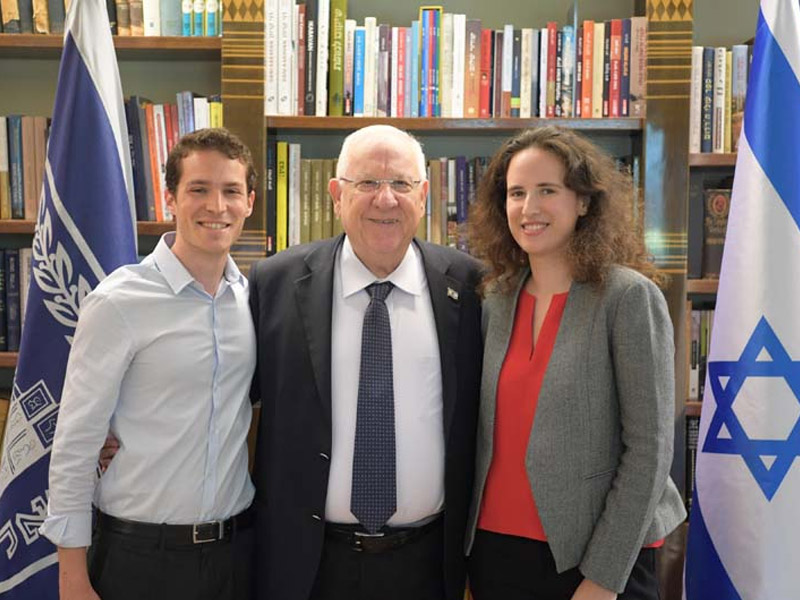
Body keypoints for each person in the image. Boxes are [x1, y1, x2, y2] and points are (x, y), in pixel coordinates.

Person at [248, 124, 483, 600]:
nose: (385, 199)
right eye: (367, 184)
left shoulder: (472, 286)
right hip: (308, 564)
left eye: (400, 184)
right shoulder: (274, 283)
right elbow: (224, 394)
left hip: (428, 563)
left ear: (423, 195)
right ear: (336, 194)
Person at [465, 126, 686, 600]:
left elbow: (649, 449)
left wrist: (604, 578)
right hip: (495, 552)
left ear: (583, 201)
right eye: (516, 193)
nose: (529, 208)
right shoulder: (495, 299)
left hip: (595, 556)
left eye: (548, 190)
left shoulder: (627, 297)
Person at [41, 128, 258, 600]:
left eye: (230, 191)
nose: (216, 207)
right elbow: (76, 446)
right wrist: (72, 577)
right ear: (171, 199)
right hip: (139, 558)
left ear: (249, 203)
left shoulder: (254, 300)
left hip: (235, 556)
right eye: (198, 189)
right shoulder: (119, 302)